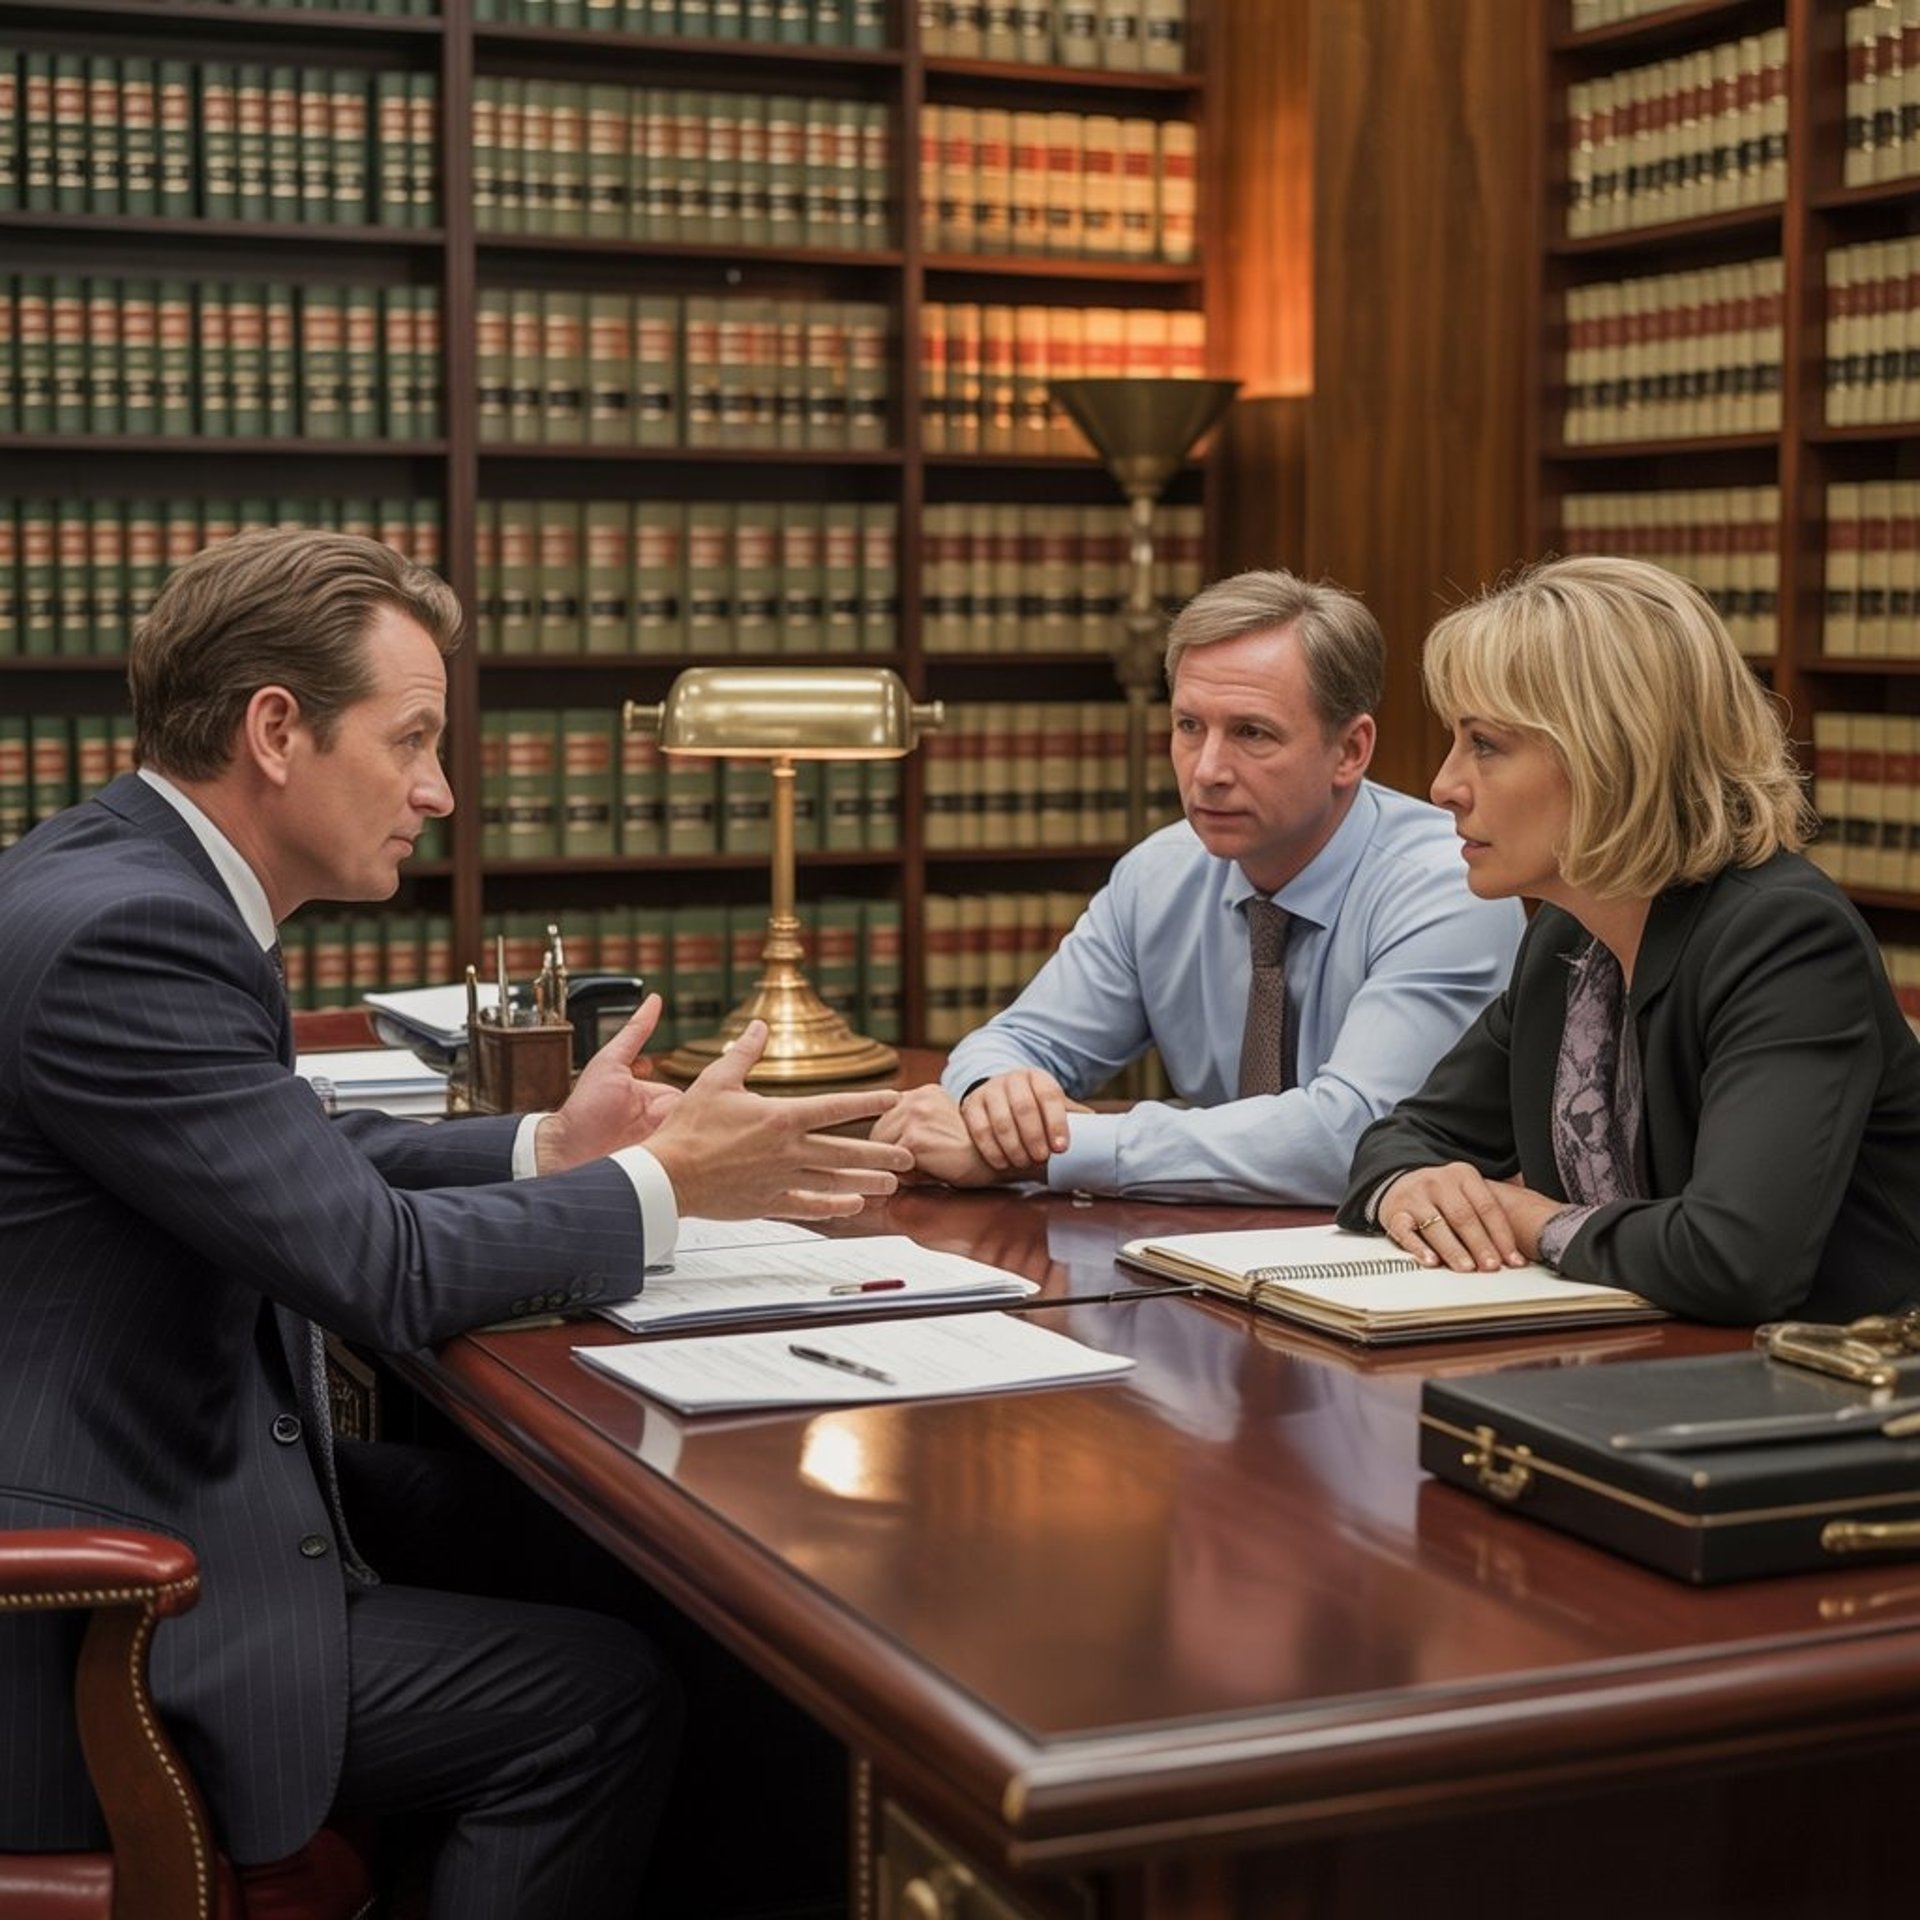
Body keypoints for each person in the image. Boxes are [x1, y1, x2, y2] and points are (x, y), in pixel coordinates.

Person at [0, 529, 912, 1917]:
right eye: (414, 739)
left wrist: (547, 1143)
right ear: (276, 730)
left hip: (141, 1469)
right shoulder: (135, 932)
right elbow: (372, 1267)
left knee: (560, 1532)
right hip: (89, 1617)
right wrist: (670, 1190)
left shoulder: (108, 869)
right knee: (598, 1696)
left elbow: (271, 1154)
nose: (436, 790)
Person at [1338, 553, 1920, 1325]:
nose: (1444, 784)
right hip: (1649, 1376)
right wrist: (1412, 1186)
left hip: (1846, 1403)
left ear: (1609, 754)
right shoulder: (1566, 942)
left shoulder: (1783, 939)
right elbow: (1402, 1137)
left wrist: (1531, 1220)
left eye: (1485, 743)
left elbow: (1735, 1258)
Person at [874, 568, 1525, 1202]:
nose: (1208, 770)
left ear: (1350, 751)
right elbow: (1011, 1042)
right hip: (1207, 1257)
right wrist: (999, 1099)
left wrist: (1064, 1147)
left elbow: (1356, 1137)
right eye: (1190, 727)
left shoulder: (1447, 884)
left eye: (1251, 733)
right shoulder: (1163, 872)